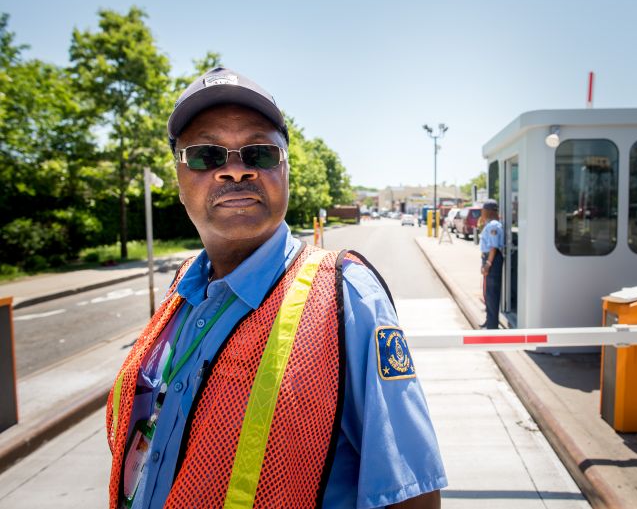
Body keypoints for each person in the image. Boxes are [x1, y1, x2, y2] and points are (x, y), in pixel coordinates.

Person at [106, 67, 446, 509]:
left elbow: (412, 496)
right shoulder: (183, 286)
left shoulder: (347, 296)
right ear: (179, 180)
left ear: (285, 170)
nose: (235, 171)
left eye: (259, 154)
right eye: (206, 155)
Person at [479, 200, 504, 329]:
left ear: (488, 211)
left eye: (483, 210)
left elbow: (493, 247)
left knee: (491, 294)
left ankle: (492, 326)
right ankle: (489, 321)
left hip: (492, 260)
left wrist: (488, 264)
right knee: (487, 293)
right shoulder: (489, 224)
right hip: (489, 258)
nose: (481, 213)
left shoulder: (493, 225)